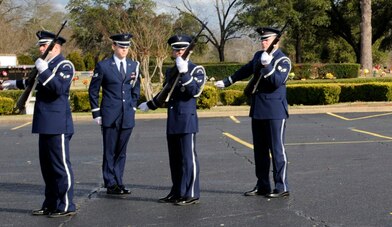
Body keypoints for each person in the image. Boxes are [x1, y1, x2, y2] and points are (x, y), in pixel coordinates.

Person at [1, 31, 78, 217]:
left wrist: (44, 70)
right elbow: (30, 82)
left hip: (58, 123)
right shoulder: (46, 65)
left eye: (45, 46)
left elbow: (58, 89)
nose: (41, 49)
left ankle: (66, 205)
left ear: (56, 47)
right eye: (41, 46)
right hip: (44, 122)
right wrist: (7, 84)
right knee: (48, 168)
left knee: (60, 166)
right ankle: (50, 204)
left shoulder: (64, 65)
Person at [214, 27, 292, 198]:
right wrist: (228, 81)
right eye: (262, 39)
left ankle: (281, 187)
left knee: (277, 150)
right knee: (260, 151)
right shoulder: (258, 55)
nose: (263, 42)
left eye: (267, 39)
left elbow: (276, 82)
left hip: (275, 111)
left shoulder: (283, 60)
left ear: (276, 41)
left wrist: (268, 65)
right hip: (258, 109)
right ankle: (263, 185)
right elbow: (246, 69)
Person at [138, 35, 205, 206]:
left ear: (189, 50)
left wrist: (184, 73)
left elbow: (194, 92)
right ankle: (177, 191)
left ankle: (191, 193)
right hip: (173, 119)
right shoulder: (170, 70)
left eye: (182, 49)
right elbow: (165, 93)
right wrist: (151, 104)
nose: (179, 52)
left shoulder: (196, 70)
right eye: (176, 50)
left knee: (188, 158)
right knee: (175, 159)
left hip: (187, 120)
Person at [88, 33, 141, 195]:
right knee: (110, 150)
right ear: (114, 47)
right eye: (121, 47)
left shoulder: (133, 65)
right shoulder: (104, 66)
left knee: (122, 151)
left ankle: (119, 181)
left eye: (126, 47)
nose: (124, 50)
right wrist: (96, 112)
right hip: (110, 115)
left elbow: (135, 89)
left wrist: (132, 106)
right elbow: (94, 90)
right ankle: (110, 183)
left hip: (127, 115)